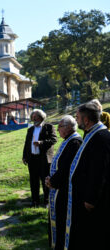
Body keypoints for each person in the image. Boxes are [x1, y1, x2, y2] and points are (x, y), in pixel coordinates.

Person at [64, 101, 110, 249]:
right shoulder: (92, 134)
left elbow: (100, 171)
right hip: (83, 197)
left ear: (86, 120)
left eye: (77, 117)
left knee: (94, 237)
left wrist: (90, 199)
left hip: (93, 202)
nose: (76, 120)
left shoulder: (101, 137)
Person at [45, 116, 82, 250]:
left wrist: (53, 181)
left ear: (67, 128)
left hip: (64, 190)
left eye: (60, 126)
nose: (58, 129)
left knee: (61, 221)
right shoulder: (68, 140)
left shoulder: (74, 142)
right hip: (58, 187)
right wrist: (50, 178)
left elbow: (66, 168)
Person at [22, 109, 57, 207]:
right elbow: (26, 144)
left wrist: (41, 143)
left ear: (41, 117)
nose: (33, 119)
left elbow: (54, 139)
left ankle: (46, 201)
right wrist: (24, 156)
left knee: (45, 180)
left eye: (35, 117)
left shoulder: (48, 127)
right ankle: (35, 201)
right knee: (33, 181)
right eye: (32, 117)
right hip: (32, 158)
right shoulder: (30, 129)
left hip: (44, 159)